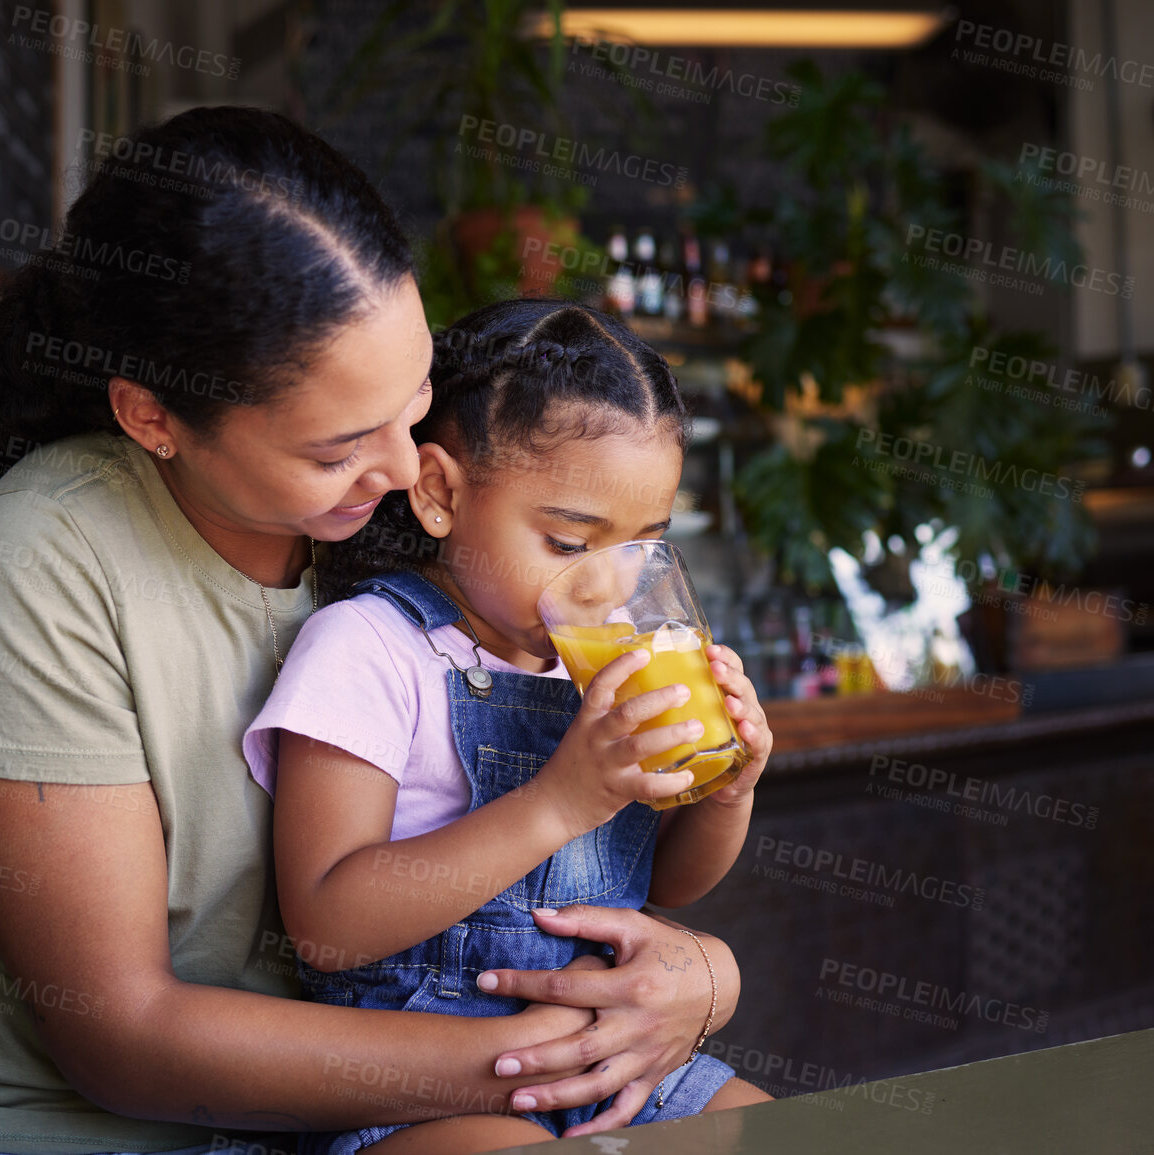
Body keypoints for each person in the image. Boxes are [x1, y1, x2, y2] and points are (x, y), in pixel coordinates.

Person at [0, 108, 751, 1155]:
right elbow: (123, 1042)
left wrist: (700, 981)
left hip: (325, 1114)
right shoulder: (47, 558)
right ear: (153, 419)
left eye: (413, 408)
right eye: (336, 448)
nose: (407, 471)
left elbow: (563, 864)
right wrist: (575, 1056)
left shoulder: (399, 530)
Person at [245, 299, 774, 1154]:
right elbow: (325, 925)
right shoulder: (371, 649)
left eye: (644, 544)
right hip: (426, 1088)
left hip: (614, 1061)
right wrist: (560, 800)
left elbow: (668, 883)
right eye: (569, 544)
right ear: (440, 492)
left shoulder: (591, 663)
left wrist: (724, 789)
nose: (608, 587)